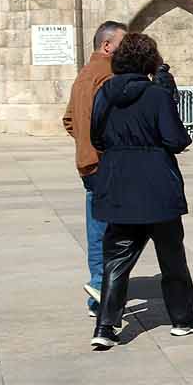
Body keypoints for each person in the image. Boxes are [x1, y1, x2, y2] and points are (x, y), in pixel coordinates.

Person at [88, 32, 193, 348]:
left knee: (117, 257)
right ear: (149, 61)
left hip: (117, 180)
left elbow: (96, 136)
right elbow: (175, 139)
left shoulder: (103, 93)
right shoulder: (156, 95)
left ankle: (104, 327)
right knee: (171, 255)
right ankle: (182, 319)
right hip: (156, 183)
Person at [63, 20, 127, 312]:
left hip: (87, 162)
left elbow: (68, 120)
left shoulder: (83, 75)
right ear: (107, 45)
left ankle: (98, 288)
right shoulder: (109, 75)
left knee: (97, 225)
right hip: (106, 163)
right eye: (122, 44)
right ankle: (103, 288)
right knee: (114, 229)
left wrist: (84, 144)